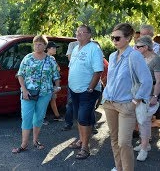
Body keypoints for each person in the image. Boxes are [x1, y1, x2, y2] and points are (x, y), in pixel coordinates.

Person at [102, 23, 152, 171]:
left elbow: (147, 80)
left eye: (117, 38)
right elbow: (112, 79)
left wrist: (135, 101)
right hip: (109, 103)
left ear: (128, 38)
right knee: (114, 140)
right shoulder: (112, 55)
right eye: (112, 38)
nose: (114, 41)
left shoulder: (134, 55)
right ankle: (119, 168)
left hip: (126, 105)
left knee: (124, 142)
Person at [12, 35, 61, 153]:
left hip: (45, 93)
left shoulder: (50, 60)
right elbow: (20, 74)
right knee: (27, 118)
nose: (37, 46)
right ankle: (24, 144)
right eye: (35, 44)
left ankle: (35, 140)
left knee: (39, 117)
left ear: (45, 46)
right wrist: (23, 89)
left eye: (40, 44)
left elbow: (56, 75)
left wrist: (57, 86)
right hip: (28, 93)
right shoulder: (28, 58)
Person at [67, 25, 104, 159]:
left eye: (83, 32)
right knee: (79, 117)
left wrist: (90, 88)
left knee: (84, 118)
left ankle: (85, 148)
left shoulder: (94, 48)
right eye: (78, 32)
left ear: (89, 35)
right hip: (74, 89)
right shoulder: (76, 48)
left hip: (87, 90)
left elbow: (98, 70)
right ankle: (81, 140)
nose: (79, 34)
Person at [133, 35, 160, 161]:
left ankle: (144, 149)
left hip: (149, 94)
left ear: (145, 47)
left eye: (138, 47)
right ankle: (144, 144)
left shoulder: (156, 60)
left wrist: (155, 96)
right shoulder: (142, 58)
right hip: (140, 93)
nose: (135, 48)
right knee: (142, 121)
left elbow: (159, 81)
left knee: (144, 122)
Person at [139, 24, 160, 127]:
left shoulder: (157, 47)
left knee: (147, 112)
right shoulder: (135, 46)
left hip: (151, 82)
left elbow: (156, 65)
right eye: (142, 34)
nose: (143, 36)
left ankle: (146, 136)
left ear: (152, 35)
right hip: (138, 84)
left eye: (146, 34)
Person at [45, 41, 64, 122]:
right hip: (45, 83)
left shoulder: (52, 58)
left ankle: (57, 116)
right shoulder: (43, 57)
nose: (55, 49)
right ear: (48, 49)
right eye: (54, 48)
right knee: (44, 100)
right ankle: (42, 118)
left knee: (53, 99)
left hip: (52, 82)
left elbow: (58, 69)